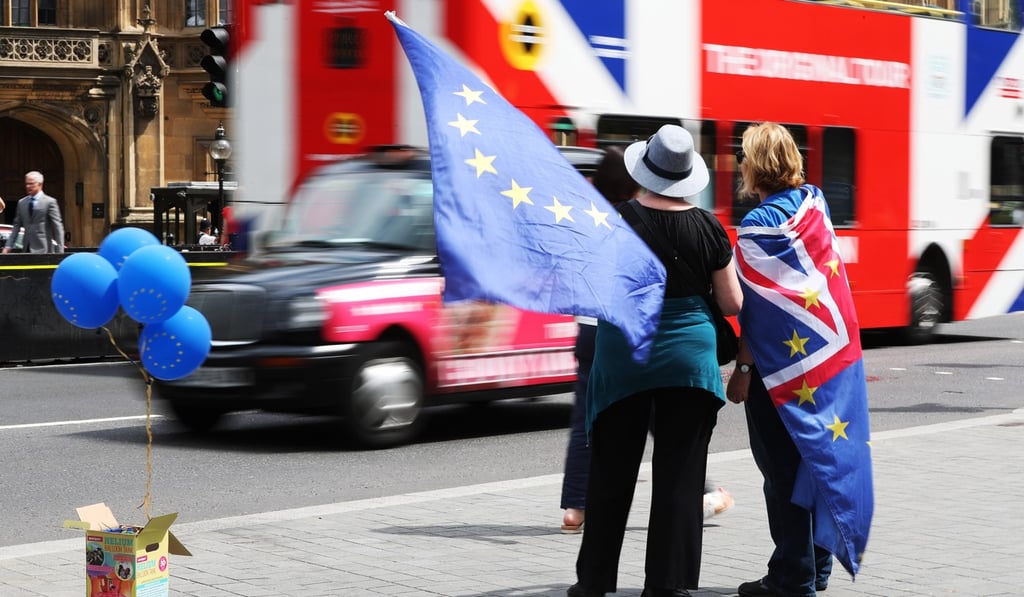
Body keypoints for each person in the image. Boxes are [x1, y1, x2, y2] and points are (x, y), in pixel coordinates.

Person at [568, 124, 743, 597]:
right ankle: (667, 586)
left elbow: (591, 289)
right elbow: (730, 302)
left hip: (626, 356)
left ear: (645, 172)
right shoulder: (709, 226)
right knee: (680, 479)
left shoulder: (616, 221)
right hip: (689, 362)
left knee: (610, 472)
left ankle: (594, 582)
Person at [726, 122, 872, 597]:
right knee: (818, 464)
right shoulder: (815, 205)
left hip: (781, 376)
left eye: (745, 158)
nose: (741, 165)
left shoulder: (757, 229)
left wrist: (743, 371)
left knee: (782, 474)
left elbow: (756, 315)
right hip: (830, 367)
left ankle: (794, 577)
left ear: (757, 167)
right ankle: (817, 566)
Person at [561, 145, 638, 534]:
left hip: (586, 329)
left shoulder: (583, 216)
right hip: (618, 329)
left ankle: (575, 506)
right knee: (655, 412)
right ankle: (699, 492)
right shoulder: (633, 220)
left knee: (584, 421)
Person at [2, 171, 65, 254]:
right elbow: (16, 226)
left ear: (40, 184)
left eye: (31, 184)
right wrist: (8, 246)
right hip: (27, 249)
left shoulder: (50, 202)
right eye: (27, 184)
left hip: (45, 250)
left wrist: (60, 251)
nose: (28, 186)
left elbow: (57, 227)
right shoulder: (22, 203)